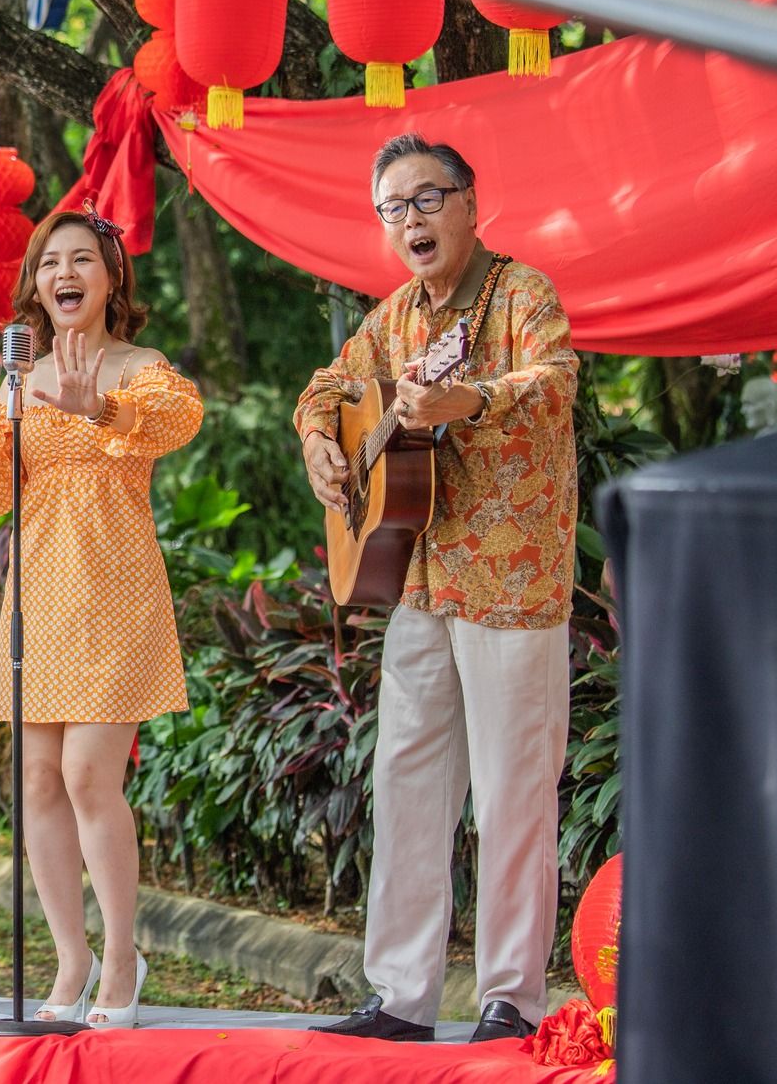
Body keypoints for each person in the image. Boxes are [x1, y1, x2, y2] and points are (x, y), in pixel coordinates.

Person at [295, 133, 579, 1044]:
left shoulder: (521, 294)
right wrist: (322, 446)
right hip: (419, 577)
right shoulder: (395, 318)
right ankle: (402, 998)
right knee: (408, 779)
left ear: (468, 200)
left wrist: (475, 399)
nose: (410, 219)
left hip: (513, 578)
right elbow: (324, 388)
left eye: (426, 198)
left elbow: (556, 380)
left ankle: (511, 1001)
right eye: (393, 207)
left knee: (512, 793)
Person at [0, 207, 203, 1028]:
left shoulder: (139, 366)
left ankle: (123, 951)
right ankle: (71, 954)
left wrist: (101, 409)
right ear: (35, 285)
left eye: (82, 259)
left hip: (117, 585)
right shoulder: (19, 376)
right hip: (41, 590)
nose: (65, 273)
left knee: (92, 775)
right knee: (36, 781)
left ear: (110, 277)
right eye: (50, 261)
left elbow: (179, 421)